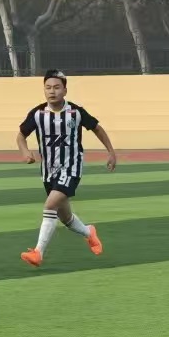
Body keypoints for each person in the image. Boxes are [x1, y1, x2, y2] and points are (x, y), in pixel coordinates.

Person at [17, 69, 116, 267]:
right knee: (66, 218)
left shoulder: (76, 112)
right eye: (48, 87)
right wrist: (25, 151)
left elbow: (97, 128)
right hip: (49, 171)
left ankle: (38, 253)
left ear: (65, 90)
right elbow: (21, 135)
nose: (52, 91)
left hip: (71, 168)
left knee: (49, 206)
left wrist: (111, 152)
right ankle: (89, 232)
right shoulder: (37, 114)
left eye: (56, 87)